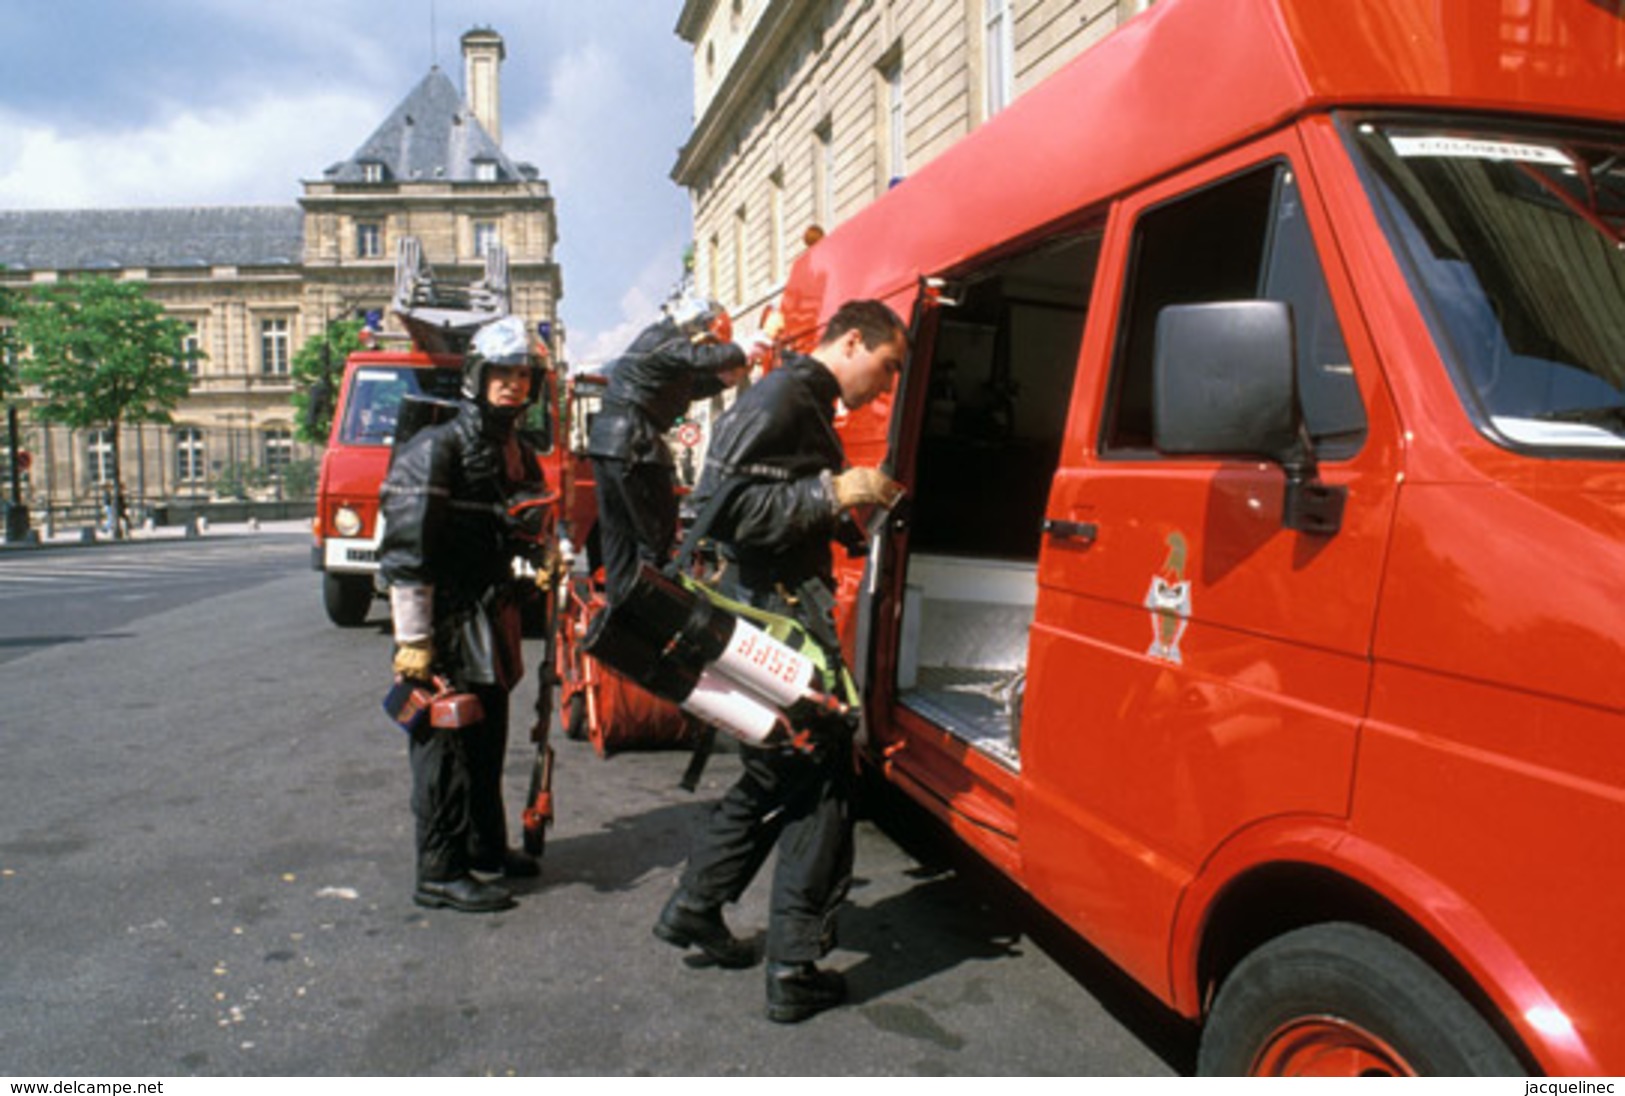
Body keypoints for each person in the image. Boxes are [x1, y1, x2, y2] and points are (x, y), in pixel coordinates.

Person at [653, 299, 908, 1023]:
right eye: (885, 366)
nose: (884, 386)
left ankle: (696, 907)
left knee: (781, 769)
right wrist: (831, 491)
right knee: (817, 775)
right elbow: (721, 511)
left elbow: (762, 499)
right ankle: (792, 967)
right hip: (775, 615)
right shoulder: (787, 395)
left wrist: (843, 508)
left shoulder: (800, 398)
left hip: (774, 609)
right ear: (851, 340)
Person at [378, 315, 549, 913]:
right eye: (502, 372)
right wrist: (414, 639)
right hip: (443, 621)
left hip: (488, 617)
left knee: (487, 741)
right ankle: (439, 870)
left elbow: (519, 532)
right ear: (478, 376)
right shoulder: (436, 448)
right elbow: (407, 548)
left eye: (522, 374)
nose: (512, 384)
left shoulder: (519, 452)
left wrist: (533, 566)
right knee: (444, 748)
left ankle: (483, 847)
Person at [586, 296, 749, 605]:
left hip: (611, 442)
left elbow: (686, 386)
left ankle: (621, 610)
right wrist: (744, 348)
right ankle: (649, 609)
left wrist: (722, 381)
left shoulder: (661, 348)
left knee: (618, 535)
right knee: (655, 535)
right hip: (634, 441)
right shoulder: (664, 339)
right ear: (699, 330)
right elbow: (697, 360)